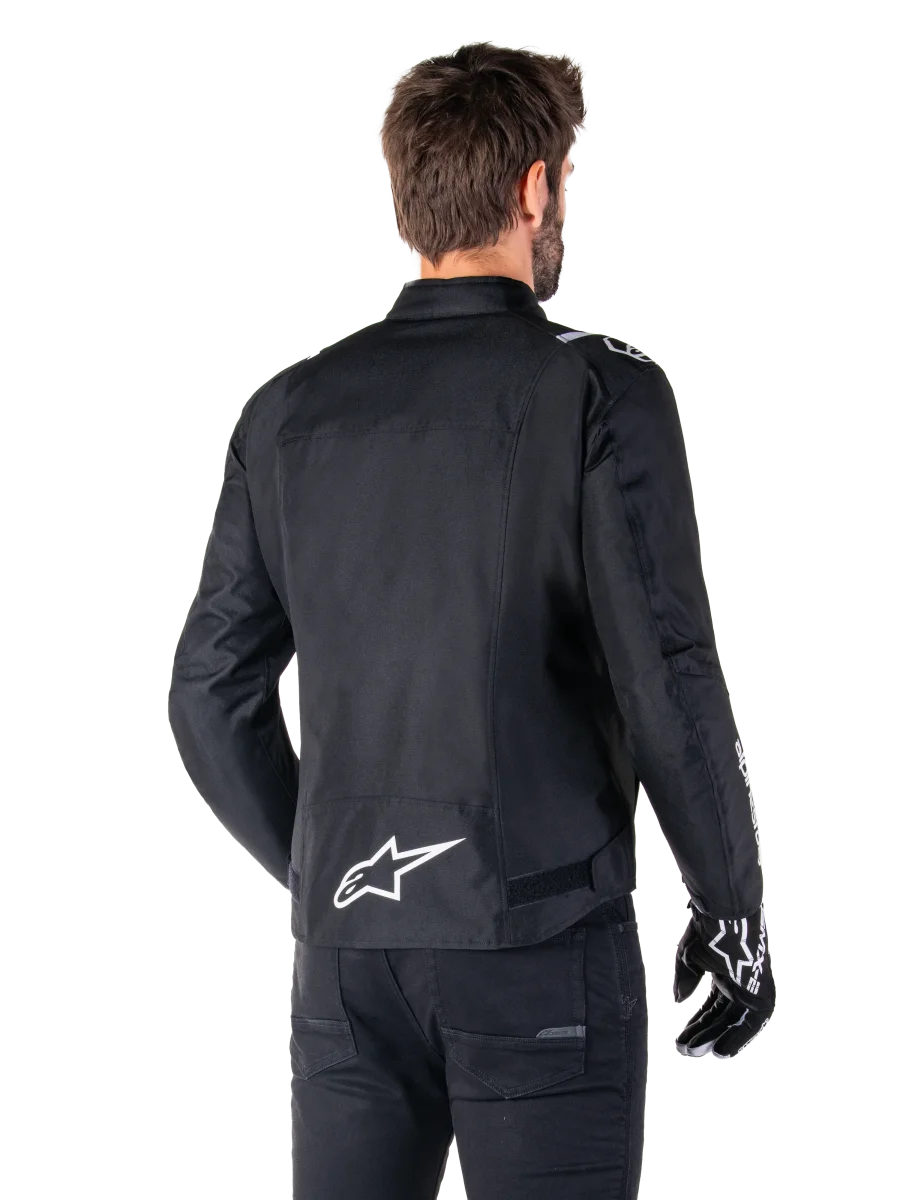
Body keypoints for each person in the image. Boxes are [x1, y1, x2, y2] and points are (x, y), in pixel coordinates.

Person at [167, 40, 775, 1199]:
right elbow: (666, 674)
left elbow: (208, 695)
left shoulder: (289, 410)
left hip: (349, 966)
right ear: (536, 188)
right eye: (567, 182)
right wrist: (732, 912)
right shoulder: (596, 391)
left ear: (407, 191)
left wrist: (337, 871)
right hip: (539, 943)